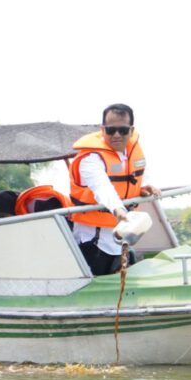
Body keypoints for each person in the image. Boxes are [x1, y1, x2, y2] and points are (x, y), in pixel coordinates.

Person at [68, 103, 161, 275]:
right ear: (103, 130)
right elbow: (102, 187)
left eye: (123, 130)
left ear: (131, 131)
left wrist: (140, 189)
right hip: (94, 239)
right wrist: (118, 209)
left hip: (122, 237)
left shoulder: (131, 154)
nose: (116, 135)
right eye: (111, 130)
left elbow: (127, 183)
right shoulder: (91, 158)